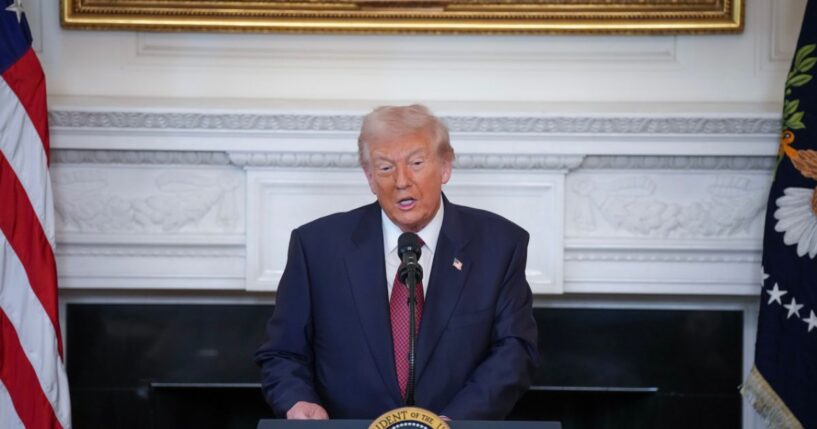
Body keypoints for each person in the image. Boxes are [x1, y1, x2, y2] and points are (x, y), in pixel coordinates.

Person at [255, 104, 538, 420]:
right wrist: (297, 401)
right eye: (386, 167)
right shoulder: (317, 247)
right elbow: (282, 352)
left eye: (416, 163)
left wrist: (453, 422)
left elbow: (514, 350)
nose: (402, 181)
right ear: (370, 177)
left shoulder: (499, 245)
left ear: (445, 167)